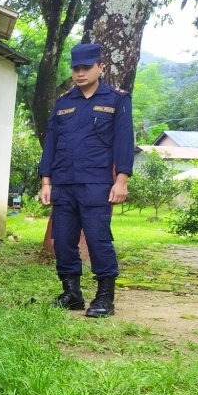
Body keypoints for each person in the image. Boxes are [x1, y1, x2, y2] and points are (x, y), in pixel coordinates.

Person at [38, 42, 134, 318]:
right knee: (63, 239)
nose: (80, 73)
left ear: (100, 67)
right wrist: (46, 182)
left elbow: (124, 141)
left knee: (98, 239)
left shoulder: (116, 100)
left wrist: (122, 179)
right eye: (75, 68)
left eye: (86, 68)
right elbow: (51, 144)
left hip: (97, 183)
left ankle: (105, 297)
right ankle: (72, 293)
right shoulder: (64, 103)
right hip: (64, 184)